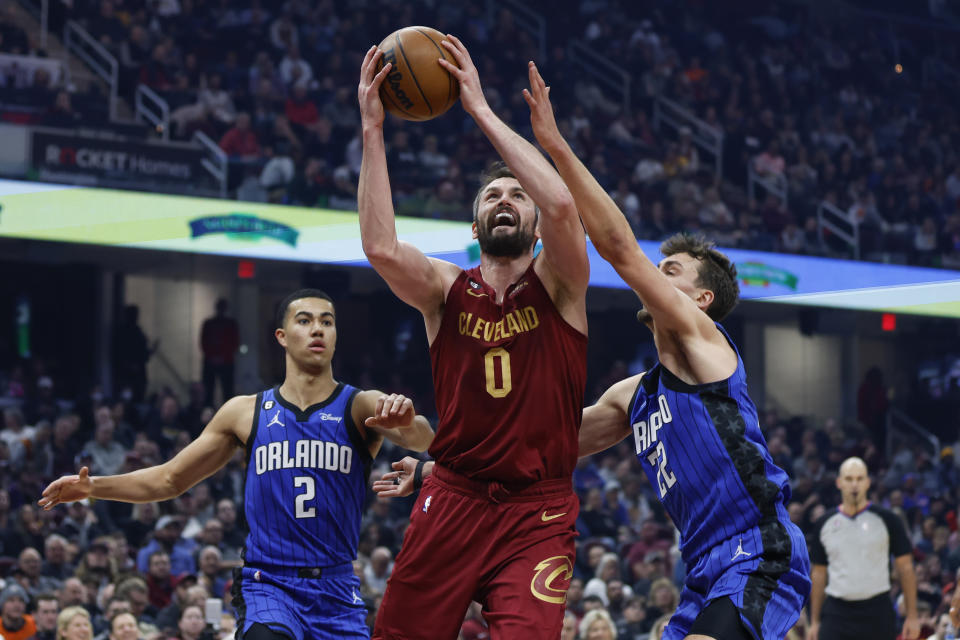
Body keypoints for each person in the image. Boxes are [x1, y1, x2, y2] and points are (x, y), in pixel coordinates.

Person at [522, 61, 811, 640]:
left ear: (700, 298)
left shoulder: (705, 344)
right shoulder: (634, 395)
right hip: (703, 569)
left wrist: (554, 146)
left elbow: (619, 249)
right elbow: (546, 448)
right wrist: (440, 465)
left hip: (759, 549)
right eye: (659, 267)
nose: (656, 275)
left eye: (670, 271)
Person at [358, 35, 590, 639]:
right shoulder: (444, 289)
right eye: (492, 195)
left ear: (535, 228)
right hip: (454, 496)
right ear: (475, 223)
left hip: (538, 510)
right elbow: (380, 248)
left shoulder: (562, 284)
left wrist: (480, 110)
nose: (505, 200)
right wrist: (373, 130)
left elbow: (566, 207)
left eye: (518, 195)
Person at [39, 289, 435, 640]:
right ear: (281, 336)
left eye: (327, 322)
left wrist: (407, 421)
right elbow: (169, 479)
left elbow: (425, 440)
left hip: (337, 587)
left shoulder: (360, 404)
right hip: (269, 583)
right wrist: (93, 488)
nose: (318, 329)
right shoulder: (245, 412)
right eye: (305, 320)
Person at [807, 457, 919, 640]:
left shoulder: (888, 520)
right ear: (839, 482)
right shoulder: (824, 523)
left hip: (877, 611)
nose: (854, 484)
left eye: (859, 479)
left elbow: (906, 568)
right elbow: (818, 574)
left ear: (868, 483)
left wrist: (912, 617)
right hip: (837, 612)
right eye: (849, 479)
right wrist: (815, 621)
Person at [200, 299, 240, 407]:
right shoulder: (210, 324)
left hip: (223, 361)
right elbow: (204, 343)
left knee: (227, 390)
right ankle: (209, 410)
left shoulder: (230, 324)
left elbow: (234, 343)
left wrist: (220, 357)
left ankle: (226, 411)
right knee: (209, 390)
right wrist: (215, 356)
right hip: (216, 360)